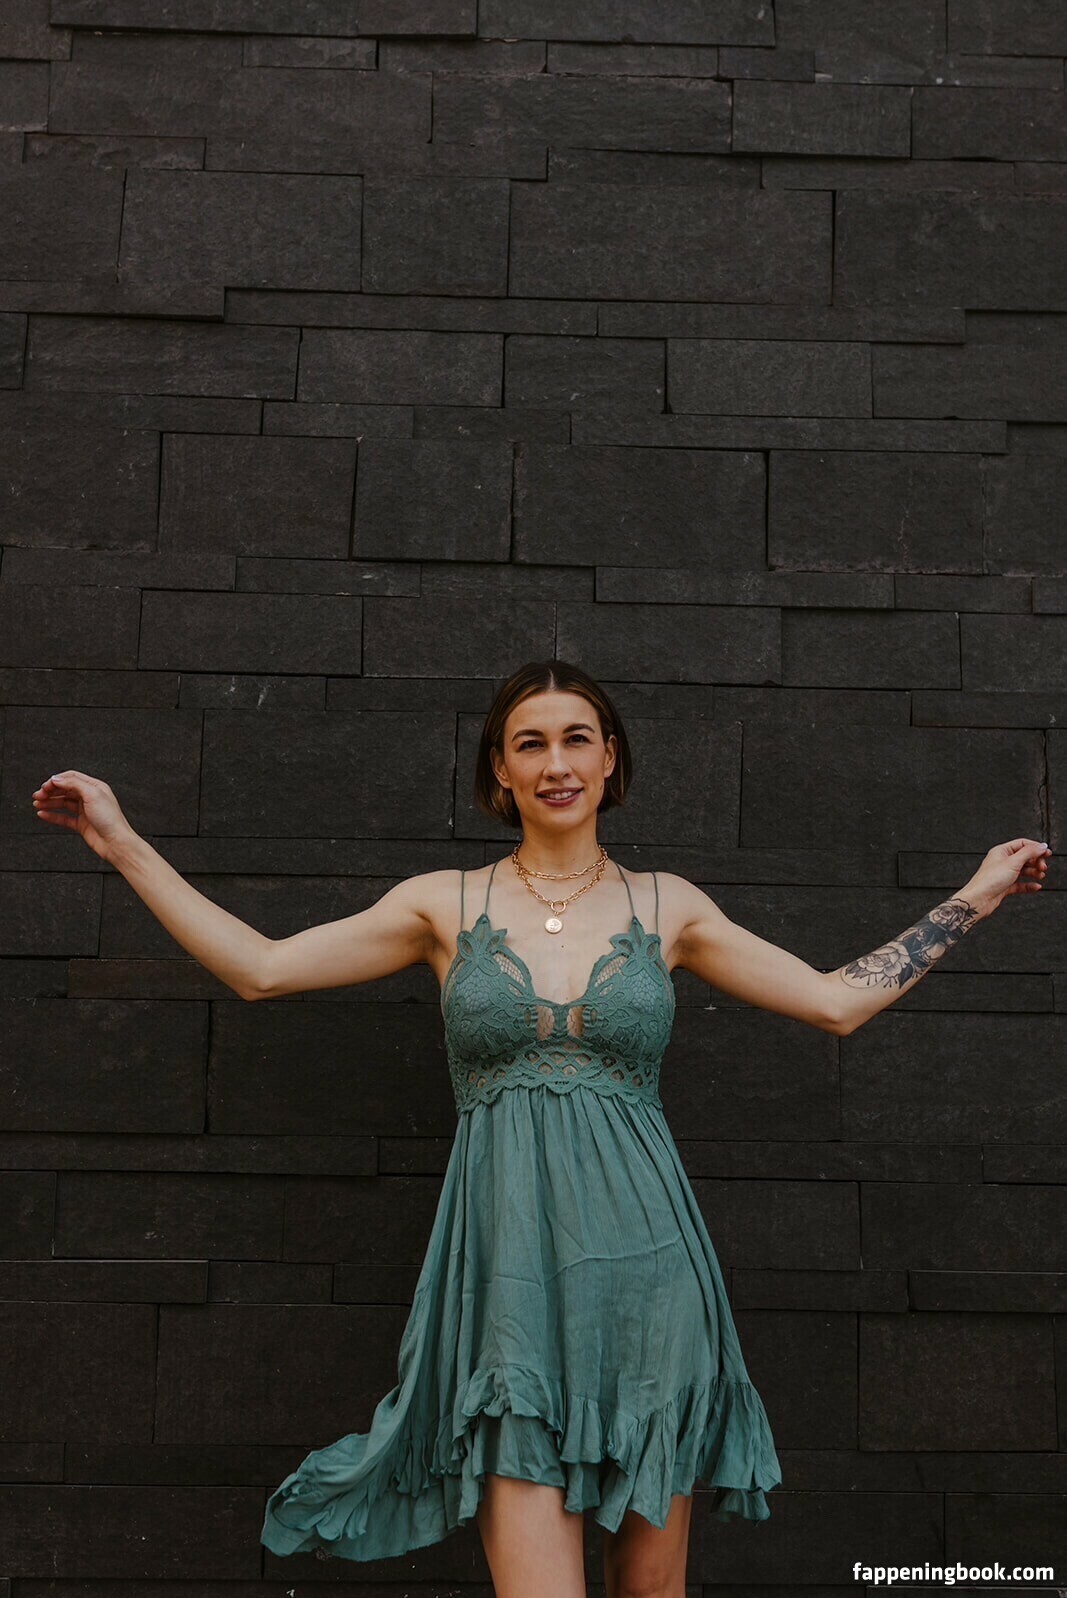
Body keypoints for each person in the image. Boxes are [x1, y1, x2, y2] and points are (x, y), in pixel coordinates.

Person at [32, 659, 1051, 1598]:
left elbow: (833, 1001)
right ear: (500, 768)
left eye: (575, 739)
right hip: (509, 1287)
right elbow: (261, 968)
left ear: (609, 760)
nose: (555, 762)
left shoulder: (667, 907)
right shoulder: (442, 905)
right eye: (530, 742)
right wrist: (119, 841)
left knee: (649, 1592)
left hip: (651, 1288)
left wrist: (975, 896)